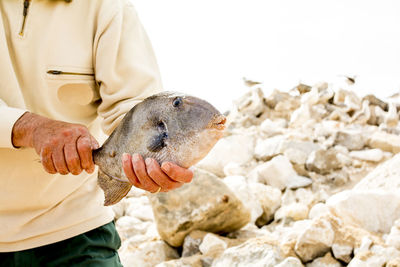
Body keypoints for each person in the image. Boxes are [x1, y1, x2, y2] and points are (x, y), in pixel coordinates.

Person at [0, 0, 193, 266]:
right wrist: (30, 127)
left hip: (76, 231)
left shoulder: (108, 7)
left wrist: (151, 158)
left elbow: (134, 108)